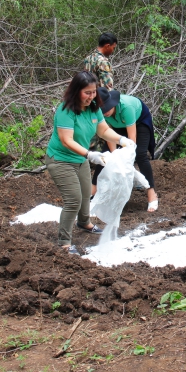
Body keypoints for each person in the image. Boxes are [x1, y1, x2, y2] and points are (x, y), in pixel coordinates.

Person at [45, 71, 134, 253]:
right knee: (73, 200)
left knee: (86, 194)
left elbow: (103, 130)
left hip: (80, 159)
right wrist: (89, 154)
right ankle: (64, 242)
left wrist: (121, 140)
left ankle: (84, 222)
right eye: (87, 93)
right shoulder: (66, 110)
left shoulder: (93, 108)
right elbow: (66, 140)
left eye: (93, 92)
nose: (91, 96)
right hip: (61, 159)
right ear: (76, 91)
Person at [91, 88, 158, 212]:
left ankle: (151, 192)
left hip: (139, 122)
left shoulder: (127, 107)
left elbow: (132, 140)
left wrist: (127, 162)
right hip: (116, 126)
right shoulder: (101, 114)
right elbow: (107, 133)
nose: (105, 112)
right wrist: (114, 156)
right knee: (106, 156)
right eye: (102, 110)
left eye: (107, 109)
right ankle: (93, 190)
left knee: (140, 154)